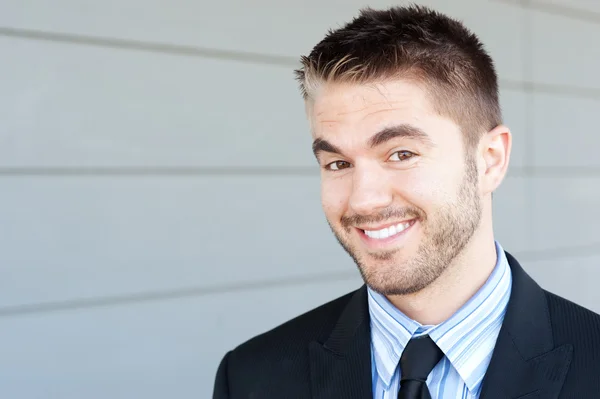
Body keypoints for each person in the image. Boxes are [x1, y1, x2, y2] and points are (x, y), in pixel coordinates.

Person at [212, 5, 600, 398]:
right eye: (338, 162)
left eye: (401, 154)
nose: (363, 200)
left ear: (490, 160)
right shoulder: (249, 378)